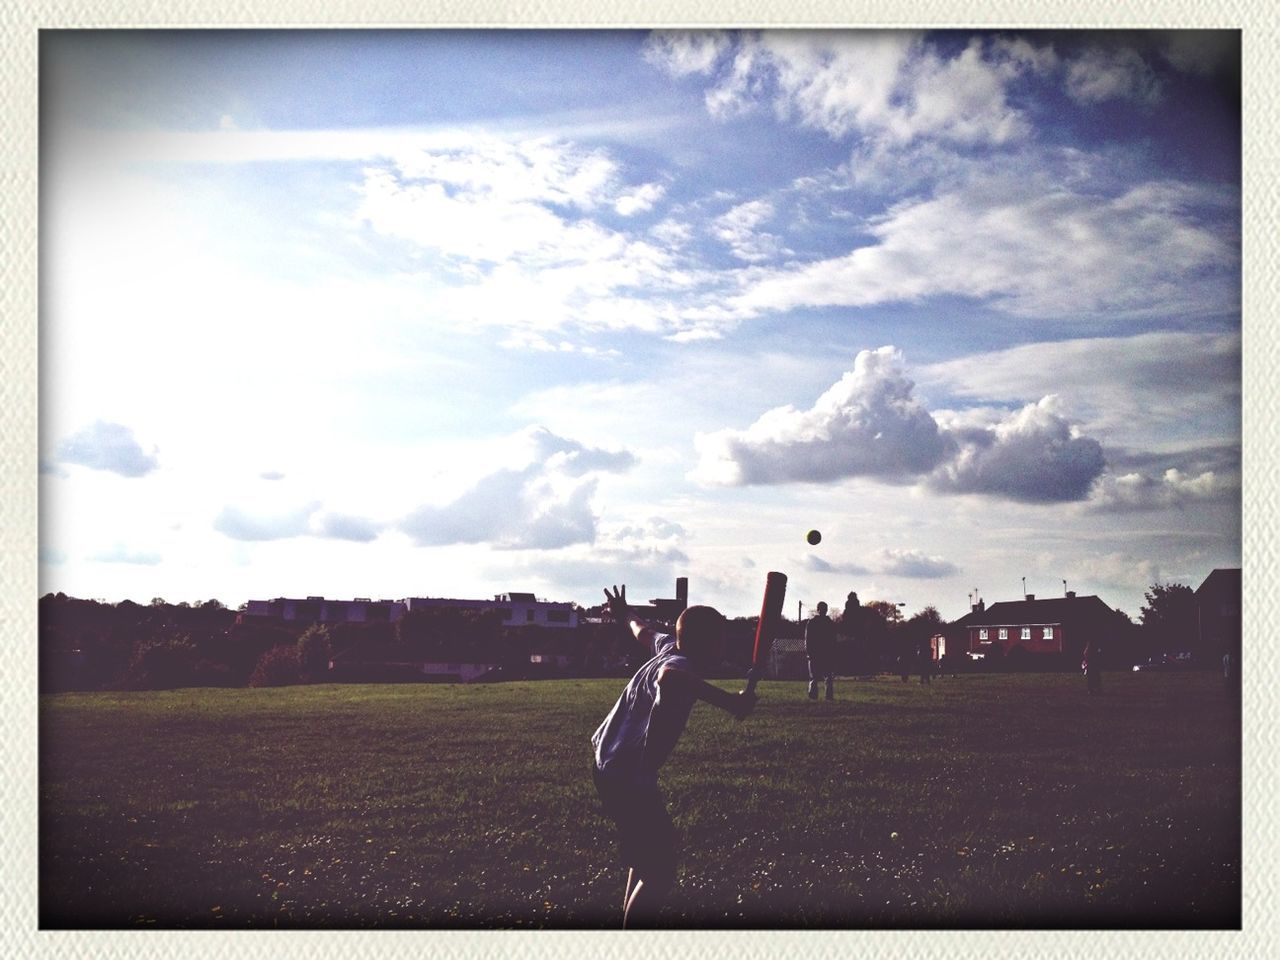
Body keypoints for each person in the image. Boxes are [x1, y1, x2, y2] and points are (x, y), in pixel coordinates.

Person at [591, 584, 756, 928]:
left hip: (608, 763)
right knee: (661, 874)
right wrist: (731, 702)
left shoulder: (667, 646)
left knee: (644, 859)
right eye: (721, 638)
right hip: (628, 775)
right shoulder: (679, 664)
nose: (724, 645)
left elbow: (643, 631)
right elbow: (671, 678)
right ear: (709, 643)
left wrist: (625, 614)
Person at [805, 601, 838, 701]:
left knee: (813, 676)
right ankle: (829, 696)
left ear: (817, 609)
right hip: (827, 652)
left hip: (815, 652)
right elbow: (833, 639)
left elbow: (808, 638)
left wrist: (808, 652)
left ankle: (813, 695)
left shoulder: (812, 623)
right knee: (828, 676)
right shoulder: (830, 623)